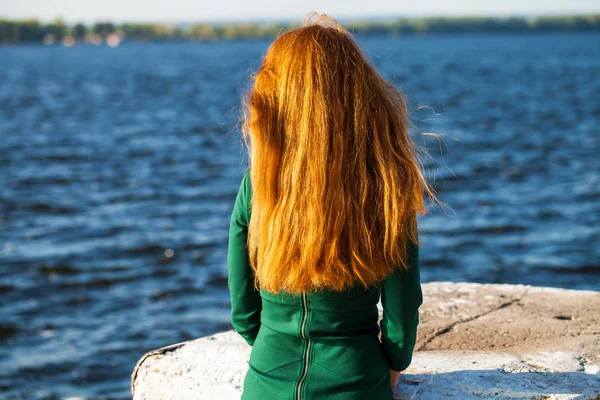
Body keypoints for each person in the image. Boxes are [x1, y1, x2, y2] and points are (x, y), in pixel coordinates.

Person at [227, 11, 440, 400]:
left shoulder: (259, 186)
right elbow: (402, 314)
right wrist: (392, 367)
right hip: (358, 382)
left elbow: (243, 311)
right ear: (360, 98)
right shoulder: (386, 185)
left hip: (266, 382)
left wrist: (274, 345)